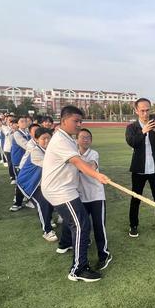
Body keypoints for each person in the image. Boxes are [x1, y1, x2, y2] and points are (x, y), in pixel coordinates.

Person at [41, 105, 110, 282]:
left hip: (64, 189)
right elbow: (77, 162)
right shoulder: (61, 140)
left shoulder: (68, 138)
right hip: (59, 190)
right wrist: (97, 175)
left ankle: (65, 245)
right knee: (81, 224)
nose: (79, 124)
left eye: (81, 121)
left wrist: (94, 171)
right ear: (63, 121)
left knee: (78, 222)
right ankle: (78, 269)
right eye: (75, 121)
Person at [125, 98, 155, 238]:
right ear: (136, 111)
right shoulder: (131, 128)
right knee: (135, 199)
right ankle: (133, 225)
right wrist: (143, 131)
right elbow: (132, 143)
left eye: (147, 110)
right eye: (142, 110)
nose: (145, 113)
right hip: (139, 170)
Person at [77, 128, 112, 271]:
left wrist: (78, 165)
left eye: (88, 138)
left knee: (99, 226)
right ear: (77, 139)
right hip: (79, 196)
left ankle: (104, 255)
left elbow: (91, 166)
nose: (85, 140)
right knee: (82, 227)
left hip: (96, 196)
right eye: (82, 137)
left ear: (91, 141)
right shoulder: (73, 154)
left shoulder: (94, 153)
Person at [16, 127, 57, 242]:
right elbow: (50, 165)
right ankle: (47, 231)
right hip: (29, 183)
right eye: (43, 139)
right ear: (36, 139)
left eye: (49, 138)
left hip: (42, 183)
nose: (47, 141)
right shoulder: (36, 151)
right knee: (42, 202)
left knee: (50, 201)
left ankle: (48, 220)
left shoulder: (51, 150)